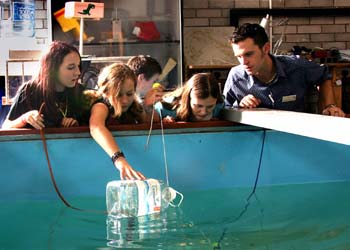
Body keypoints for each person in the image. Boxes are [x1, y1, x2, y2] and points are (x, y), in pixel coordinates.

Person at [223, 23, 345, 117]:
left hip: (296, 134)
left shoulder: (297, 67)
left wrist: (330, 106)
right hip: (257, 139)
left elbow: (324, 75)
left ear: (266, 48)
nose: (244, 62)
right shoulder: (236, 77)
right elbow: (223, 110)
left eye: (249, 54)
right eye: (239, 57)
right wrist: (239, 106)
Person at [2, 41, 88, 129]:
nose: (78, 72)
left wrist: (76, 125)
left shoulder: (81, 93)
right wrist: (24, 119)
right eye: (71, 67)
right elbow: (5, 127)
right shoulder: (29, 91)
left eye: (78, 66)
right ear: (52, 68)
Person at [86, 62, 146, 180]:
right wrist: (119, 160)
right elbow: (96, 127)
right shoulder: (101, 106)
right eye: (118, 95)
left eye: (129, 94)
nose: (124, 101)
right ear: (106, 91)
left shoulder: (135, 107)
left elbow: (151, 118)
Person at [155, 72, 224, 122]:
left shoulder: (220, 106)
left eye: (210, 106)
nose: (203, 112)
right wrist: (161, 122)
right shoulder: (166, 108)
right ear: (188, 99)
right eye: (198, 106)